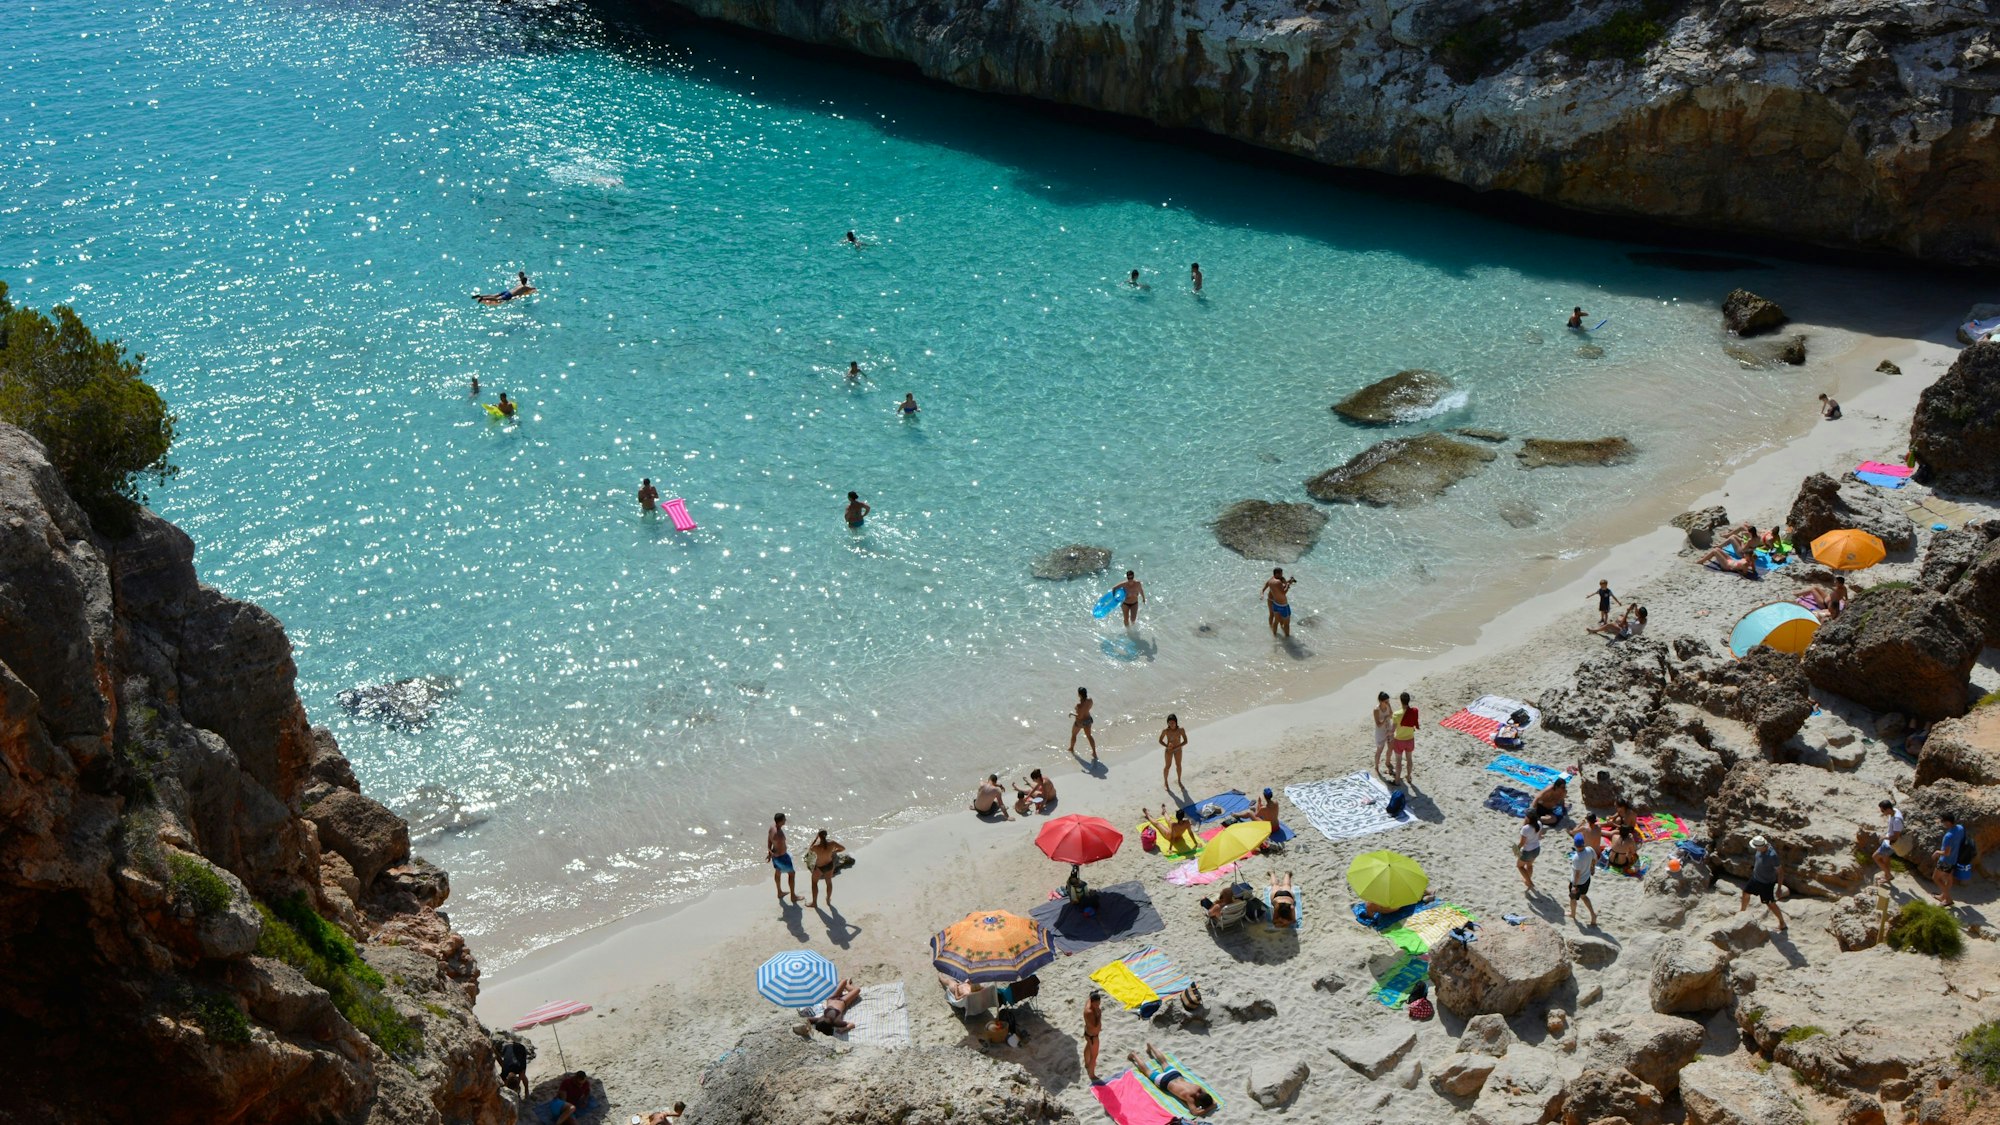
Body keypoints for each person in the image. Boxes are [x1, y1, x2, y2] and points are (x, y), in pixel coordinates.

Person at [1127, 1043, 1215, 1116]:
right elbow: (1194, 1112)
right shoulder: (1190, 1098)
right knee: (1147, 1071)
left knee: (1164, 1062)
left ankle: (1151, 1046)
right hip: (1165, 1081)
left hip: (1175, 1075)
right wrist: (1210, 1107)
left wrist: (1211, 1103)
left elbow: (1208, 1096)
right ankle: (1134, 1055)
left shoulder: (1198, 1088)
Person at [1740, 835, 1787, 932]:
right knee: (1745, 893)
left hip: (1766, 883)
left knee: (1770, 904)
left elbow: (1780, 872)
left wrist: (1778, 888)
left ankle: (1782, 923)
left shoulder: (1772, 856)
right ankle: (1742, 912)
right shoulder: (1760, 849)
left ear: (1761, 846)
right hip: (1756, 878)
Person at [805, 828, 845, 908]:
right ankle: (828, 899)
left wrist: (815, 839)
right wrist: (834, 852)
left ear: (819, 836)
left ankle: (814, 903)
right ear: (826, 835)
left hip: (819, 867)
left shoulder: (816, 846)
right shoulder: (832, 843)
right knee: (829, 882)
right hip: (829, 865)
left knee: (814, 883)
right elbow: (843, 848)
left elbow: (809, 850)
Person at [1936, 813, 1969, 907]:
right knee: (1949, 879)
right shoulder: (1960, 828)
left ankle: (1948, 899)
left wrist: (1937, 852)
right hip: (1955, 858)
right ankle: (1943, 896)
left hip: (1945, 861)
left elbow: (1946, 853)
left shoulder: (1948, 836)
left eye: (1943, 822)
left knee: (1936, 878)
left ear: (1948, 822)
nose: (1943, 824)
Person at [1875, 799, 1910, 884]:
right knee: (1886, 859)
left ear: (1888, 809)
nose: (1882, 812)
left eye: (1883, 810)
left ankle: (1889, 875)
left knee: (1875, 857)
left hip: (1889, 844)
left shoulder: (1897, 820)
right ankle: (1887, 876)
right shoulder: (1895, 811)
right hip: (1888, 841)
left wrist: (1884, 838)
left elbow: (1895, 837)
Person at [767, 812, 800, 904]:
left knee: (778, 872)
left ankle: (779, 892)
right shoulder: (779, 835)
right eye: (784, 819)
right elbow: (780, 849)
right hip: (782, 857)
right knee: (792, 874)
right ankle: (793, 896)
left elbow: (769, 839)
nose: (785, 820)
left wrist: (769, 850)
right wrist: (781, 855)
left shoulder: (772, 827)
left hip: (775, 856)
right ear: (780, 821)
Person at [1568, 834, 1598, 927]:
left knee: (1573, 898)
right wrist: (1592, 868)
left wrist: (1574, 886)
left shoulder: (1577, 858)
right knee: (1584, 896)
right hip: (1586, 879)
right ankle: (1593, 914)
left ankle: (1572, 914)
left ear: (1575, 845)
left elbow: (1577, 874)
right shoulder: (1590, 849)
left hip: (1578, 882)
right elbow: (1594, 859)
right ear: (1583, 843)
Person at [1389, 692, 1418, 782]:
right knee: (1409, 759)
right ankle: (1408, 777)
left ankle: (1397, 780)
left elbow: (1393, 729)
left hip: (1399, 740)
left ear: (1401, 701)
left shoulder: (1396, 714)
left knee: (1398, 761)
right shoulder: (1414, 711)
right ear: (1408, 701)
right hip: (1410, 739)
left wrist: (1389, 735)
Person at [1262, 567, 1297, 638]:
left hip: (1275, 604)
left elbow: (1280, 587)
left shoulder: (1271, 580)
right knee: (1286, 624)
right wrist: (1287, 585)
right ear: (1277, 574)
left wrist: (1288, 582)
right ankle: (1288, 640)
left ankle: (1274, 636)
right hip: (1283, 605)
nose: (1282, 574)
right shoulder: (1278, 582)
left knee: (1276, 621)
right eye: (1281, 573)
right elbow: (1283, 592)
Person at [1158, 714, 1187, 789]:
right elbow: (1160, 740)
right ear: (1167, 723)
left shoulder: (1181, 730)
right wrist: (1167, 746)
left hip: (1178, 750)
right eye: (1169, 723)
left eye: (1173, 723)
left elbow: (1185, 741)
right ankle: (1165, 782)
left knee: (1178, 765)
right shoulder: (1165, 731)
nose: (1171, 724)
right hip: (1169, 750)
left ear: (1176, 722)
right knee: (1167, 766)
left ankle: (1179, 780)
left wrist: (1177, 747)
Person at [1069, 687, 1097, 759]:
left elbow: (1079, 716)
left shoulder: (1079, 705)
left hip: (1080, 723)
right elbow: (1089, 708)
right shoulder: (1090, 700)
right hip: (1088, 720)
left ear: (1079, 695)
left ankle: (1071, 748)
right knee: (1089, 736)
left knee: (1074, 734)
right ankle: (1094, 752)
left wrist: (1072, 713)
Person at [1517, 810, 1542, 890]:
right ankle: (1527, 881)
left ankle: (1529, 882)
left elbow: (1522, 843)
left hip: (1528, 851)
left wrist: (1516, 849)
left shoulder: (1525, 829)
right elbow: (1539, 836)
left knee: (1520, 866)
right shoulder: (1539, 823)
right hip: (1537, 849)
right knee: (1529, 865)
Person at [1371, 691, 1393, 779]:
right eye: (1386, 702)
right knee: (1379, 750)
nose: (1388, 703)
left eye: (1388, 701)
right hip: (1380, 732)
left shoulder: (1388, 705)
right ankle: (1376, 767)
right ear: (1380, 701)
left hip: (1389, 728)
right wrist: (1385, 718)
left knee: (1391, 747)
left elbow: (1391, 715)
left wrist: (1388, 717)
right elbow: (1378, 724)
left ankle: (1387, 762)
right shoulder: (1376, 710)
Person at [1083, 990, 1103, 1083]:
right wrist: (1099, 1015)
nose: (1098, 1006)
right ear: (1092, 1002)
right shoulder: (1090, 1012)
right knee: (1094, 1056)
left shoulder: (1089, 1002)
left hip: (1088, 1034)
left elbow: (1090, 996)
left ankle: (1087, 1064)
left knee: (1088, 1047)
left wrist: (1093, 993)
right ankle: (1092, 1074)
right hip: (1093, 1037)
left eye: (1099, 1004)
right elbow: (1095, 1026)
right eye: (1096, 1004)